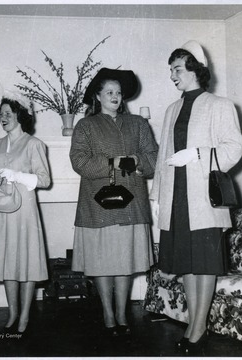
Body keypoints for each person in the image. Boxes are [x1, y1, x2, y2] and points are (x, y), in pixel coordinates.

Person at [150, 41, 242, 355]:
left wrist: (198, 154)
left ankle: (199, 327)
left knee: (203, 265)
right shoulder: (171, 109)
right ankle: (193, 323)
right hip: (176, 199)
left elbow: (234, 149)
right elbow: (164, 154)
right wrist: (157, 196)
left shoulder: (220, 105)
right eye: (171, 70)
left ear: (194, 69)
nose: (172, 75)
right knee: (187, 264)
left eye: (177, 69)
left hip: (203, 199)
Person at [70, 68, 158, 336]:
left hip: (132, 204)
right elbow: (80, 162)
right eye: (109, 92)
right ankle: (108, 312)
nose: (115, 97)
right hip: (98, 206)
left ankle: (121, 313)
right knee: (101, 261)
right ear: (97, 95)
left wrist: (138, 162)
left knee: (124, 261)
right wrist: (114, 163)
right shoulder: (85, 125)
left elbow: (153, 160)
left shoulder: (139, 124)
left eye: (118, 92)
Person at [0, 91, 50, 334]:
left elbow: (44, 180)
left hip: (25, 211)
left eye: (8, 114)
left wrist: (17, 176)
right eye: (1, 115)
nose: (3, 118)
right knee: (8, 259)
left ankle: (24, 316)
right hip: (1, 210)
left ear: (20, 115)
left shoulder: (34, 144)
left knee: (28, 260)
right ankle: (12, 313)